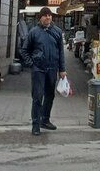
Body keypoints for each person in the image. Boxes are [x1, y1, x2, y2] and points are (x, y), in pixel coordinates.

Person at [21, 7, 66, 136]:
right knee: (37, 97)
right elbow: (24, 50)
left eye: (50, 15)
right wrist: (31, 64)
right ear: (40, 18)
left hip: (52, 68)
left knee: (50, 96)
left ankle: (45, 120)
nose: (48, 17)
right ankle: (35, 124)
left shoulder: (57, 32)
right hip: (38, 69)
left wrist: (62, 69)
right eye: (45, 15)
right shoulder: (34, 32)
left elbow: (61, 52)